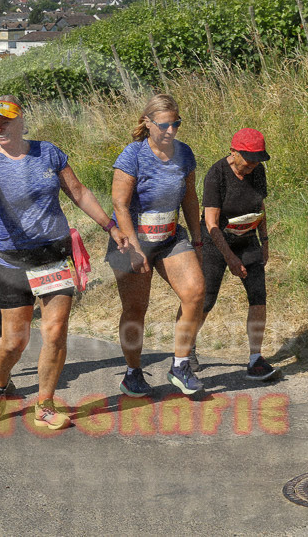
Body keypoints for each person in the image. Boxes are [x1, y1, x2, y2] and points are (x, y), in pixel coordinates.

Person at [0, 95, 129, 430]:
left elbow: (78, 192)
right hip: (12, 261)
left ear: (21, 121)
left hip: (52, 256)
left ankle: (45, 404)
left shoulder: (48, 152)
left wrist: (110, 226)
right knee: (14, 342)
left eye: (5, 121)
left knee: (56, 331)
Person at [107, 94, 206, 397]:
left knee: (196, 292)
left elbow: (189, 197)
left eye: (176, 124)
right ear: (147, 123)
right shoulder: (133, 155)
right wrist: (134, 249)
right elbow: (120, 205)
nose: (171, 131)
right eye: (164, 125)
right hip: (132, 241)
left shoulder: (184, 153)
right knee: (136, 309)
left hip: (170, 238)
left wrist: (197, 237)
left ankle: (180, 365)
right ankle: (132, 372)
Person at [198, 128, 278, 381]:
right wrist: (230, 258)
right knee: (206, 299)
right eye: (249, 159)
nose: (253, 164)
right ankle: (186, 349)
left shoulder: (257, 171)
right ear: (233, 152)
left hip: (247, 237)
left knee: (258, 296)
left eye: (257, 159)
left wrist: (265, 242)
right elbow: (211, 222)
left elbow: (260, 207)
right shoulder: (217, 174)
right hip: (216, 241)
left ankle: (256, 359)